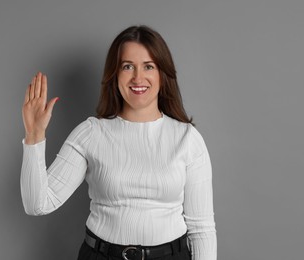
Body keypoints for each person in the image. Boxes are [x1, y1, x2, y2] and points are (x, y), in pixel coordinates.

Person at [21, 25, 217, 260]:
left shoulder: (187, 139)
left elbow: (202, 228)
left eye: (148, 66)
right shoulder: (91, 134)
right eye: (127, 67)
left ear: (162, 74)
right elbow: (38, 204)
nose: (138, 77)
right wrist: (34, 136)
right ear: (114, 74)